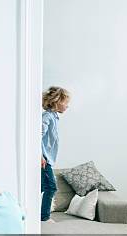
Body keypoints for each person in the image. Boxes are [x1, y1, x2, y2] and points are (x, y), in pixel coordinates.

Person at [41, 86, 70, 222]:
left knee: (41, 186)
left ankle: (36, 213)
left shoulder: (54, 117)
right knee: (51, 187)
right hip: (44, 159)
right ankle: (44, 217)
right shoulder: (47, 116)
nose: (67, 106)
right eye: (66, 102)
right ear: (57, 101)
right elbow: (37, 135)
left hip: (48, 159)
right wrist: (40, 155)